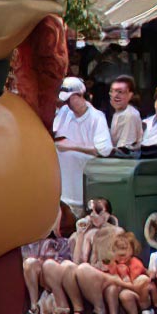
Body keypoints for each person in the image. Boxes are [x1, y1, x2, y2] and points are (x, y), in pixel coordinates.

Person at [52, 77, 111, 215]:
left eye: (70, 99)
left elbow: (103, 150)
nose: (68, 104)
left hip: (82, 189)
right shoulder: (65, 112)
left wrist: (72, 147)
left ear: (80, 95)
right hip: (64, 191)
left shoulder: (97, 117)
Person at [108, 76, 143, 152]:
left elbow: (124, 149)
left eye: (120, 92)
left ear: (130, 95)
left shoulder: (130, 115)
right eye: (112, 91)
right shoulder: (117, 113)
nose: (115, 95)